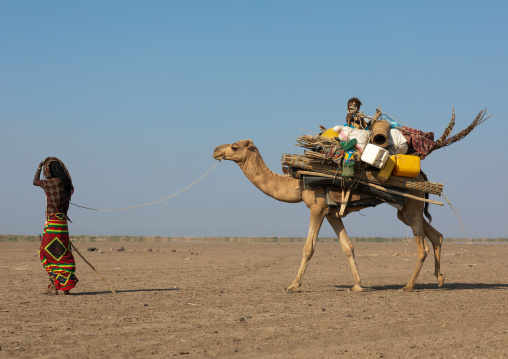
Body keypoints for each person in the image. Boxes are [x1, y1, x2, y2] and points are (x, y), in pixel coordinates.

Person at [33, 157, 78, 295]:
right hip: (62, 223)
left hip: (53, 222)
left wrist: (39, 167)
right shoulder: (66, 183)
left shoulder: (53, 183)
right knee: (61, 253)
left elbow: (35, 182)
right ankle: (61, 286)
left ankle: (57, 286)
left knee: (46, 252)